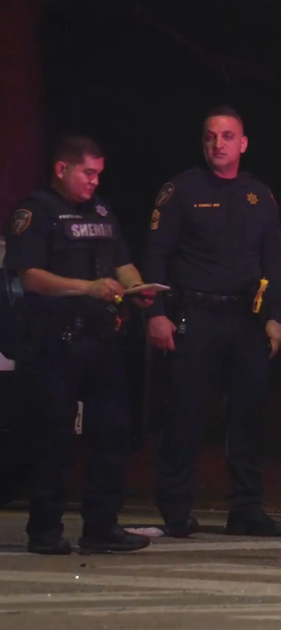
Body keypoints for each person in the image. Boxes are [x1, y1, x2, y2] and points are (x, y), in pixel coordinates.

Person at [2, 135, 154, 554]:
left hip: (100, 341)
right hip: (53, 342)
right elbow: (29, 276)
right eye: (88, 173)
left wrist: (137, 287)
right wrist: (86, 287)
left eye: (99, 173)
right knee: (54, 437)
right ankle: (45, 530)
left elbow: (121, 262)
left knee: (115, 433)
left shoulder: (102, 211)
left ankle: (101, 526)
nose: (94, 181)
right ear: (61, 169)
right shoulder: (36, 212)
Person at [142, 105, 281, 538]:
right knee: (185, 413)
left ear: (242, 144)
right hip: (194, 315)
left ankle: (245, 508)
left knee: (246, 416)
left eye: (227, 137)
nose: (218, 144)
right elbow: (154, 256)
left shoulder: (258, 196)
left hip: (245, 319)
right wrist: (156, 313)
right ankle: (175, 508)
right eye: (210, 137)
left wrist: (274, 316)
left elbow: (272, 263)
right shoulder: (181, 191)